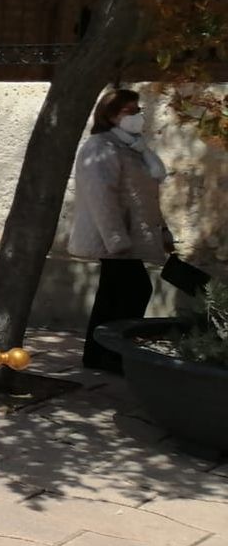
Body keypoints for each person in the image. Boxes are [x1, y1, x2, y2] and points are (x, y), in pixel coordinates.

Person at [70, 88, 173, 373]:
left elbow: (145, 195)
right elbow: (101, 196)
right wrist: (116, 238)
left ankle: (100, 355)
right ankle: (111, 354)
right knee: (134, 289)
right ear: (111, 116)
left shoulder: (133, 146)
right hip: (115, 238)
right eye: (131, 111)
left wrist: (162, 231)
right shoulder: (100, 147)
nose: (138, 116)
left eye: (138, 110)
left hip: (129, 235)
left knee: (114, 294)